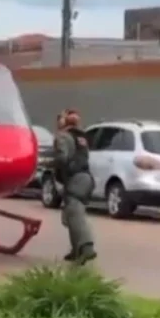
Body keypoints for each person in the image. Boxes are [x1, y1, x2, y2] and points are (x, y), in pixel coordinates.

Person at [53, 109, 97, 264]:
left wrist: (49, 163)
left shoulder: (63, 136)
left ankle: (86, 247)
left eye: (60, 118)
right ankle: (76, 251)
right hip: (85, 178)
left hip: (75, 179)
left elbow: (62, 158)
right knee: (70, 215)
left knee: (75, 213)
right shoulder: (81, 137)